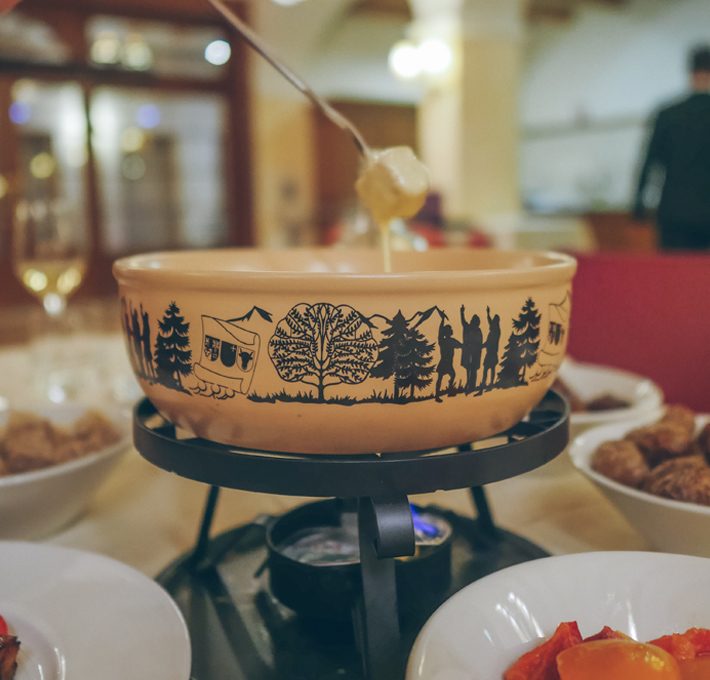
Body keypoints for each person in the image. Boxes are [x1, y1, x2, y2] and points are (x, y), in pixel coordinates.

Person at [633, 45, 710, 250]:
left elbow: (649, 161)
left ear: (690, 72)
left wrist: (639, 203)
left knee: (672, 268)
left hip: (674, 212)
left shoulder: (668, 114)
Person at [434, 317, 462, 402]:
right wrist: (442, 321)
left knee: (449, 376)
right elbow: (461, 345)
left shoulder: (444, 340)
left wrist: (442, 320)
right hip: (445, 362)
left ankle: (444, 392)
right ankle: (438, 395)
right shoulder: (446, 341)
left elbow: (460, 345)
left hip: (447, 363)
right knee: (444, 377)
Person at [459, 305, 483, 395]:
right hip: (468, 352)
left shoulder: (478, 330)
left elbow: (480, 342)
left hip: (475, 354)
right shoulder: (468, 327)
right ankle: (469, 384)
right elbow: (463, 321)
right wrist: (462, 312)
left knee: (473, 370)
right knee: (468, 369)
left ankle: (471, 386)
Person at [479, 306, 500, 390]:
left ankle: (488, 383)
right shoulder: (494, 331)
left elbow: (489, 343)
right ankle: (486, 383)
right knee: (489, 368)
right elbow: (490, 321)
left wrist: (482, 346)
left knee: (489, 368)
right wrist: (488, 313)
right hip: (491, 353)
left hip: (492, 353)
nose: (491, 324)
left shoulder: (495, 332)